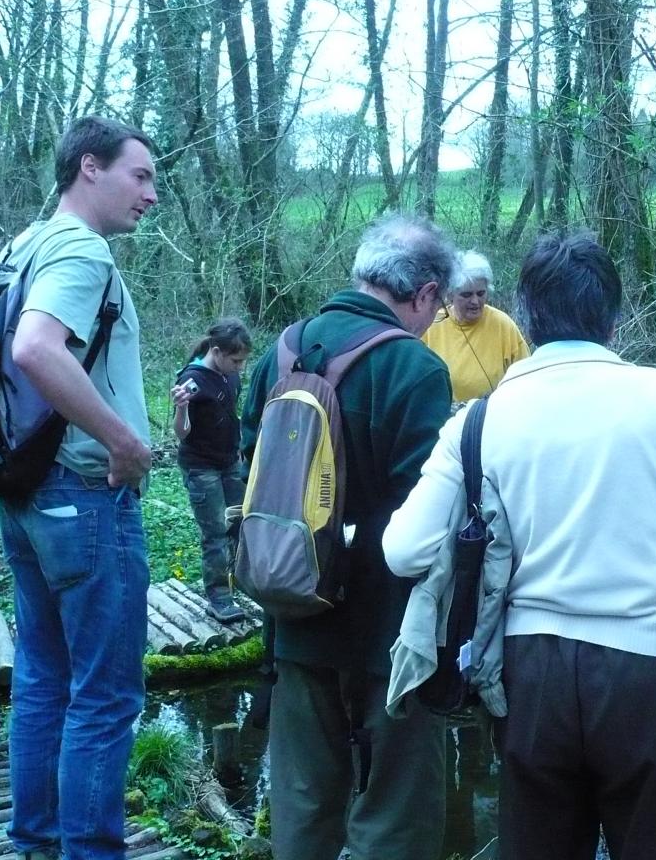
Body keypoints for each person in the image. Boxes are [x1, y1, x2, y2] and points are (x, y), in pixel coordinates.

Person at [385, 232, 656, 860]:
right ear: (613, 312)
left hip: (529, 678)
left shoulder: (480, 418)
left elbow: (404, 550)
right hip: (650, 674)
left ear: (525, 311)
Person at [239, 213, 455, 860]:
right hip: (387, 637)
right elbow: (425, 516)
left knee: (303, 809)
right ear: (423, 295)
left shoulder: (282, 351)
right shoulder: (414, 369)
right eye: (435, 306)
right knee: (394, 816)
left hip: (295, 615)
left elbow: (251, 485)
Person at [0, 115, 156, 860]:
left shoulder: (22, 243)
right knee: (104, 696)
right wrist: (123, 439)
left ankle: (36, 841)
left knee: (42, 678)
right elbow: (34, 348)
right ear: (90, 167)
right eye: (141, 175)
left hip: (30, 495)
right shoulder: (78, 249)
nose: (151, 195)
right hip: (86, 496)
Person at [171, 318, 252, 623]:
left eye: (243, 360)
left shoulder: (230, 377)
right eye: (236, 360)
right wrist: (180, 408)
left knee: (239, 524)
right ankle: (219, 599)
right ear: (217, 352)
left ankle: (241, 582)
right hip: (201, 468)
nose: (240, 367)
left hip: (230, 462)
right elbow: (181, 432)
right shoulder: (191, 380)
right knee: (216, 533)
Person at [422, 249, 529, 402]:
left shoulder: (503, 325)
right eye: (466, 295)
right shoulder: (432, 324)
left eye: (480, 293)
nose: (475, 301)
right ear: (450, 295)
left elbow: (525, 377)